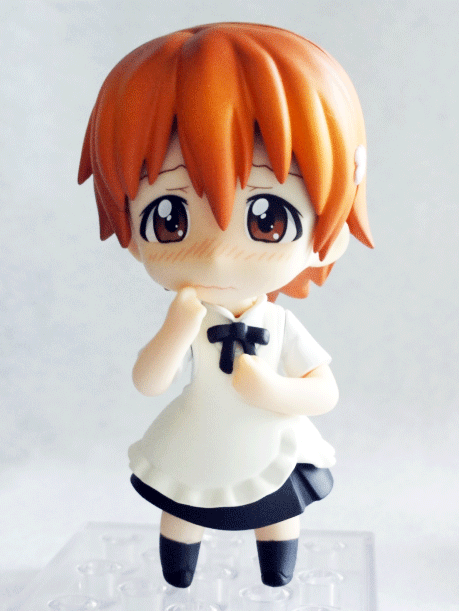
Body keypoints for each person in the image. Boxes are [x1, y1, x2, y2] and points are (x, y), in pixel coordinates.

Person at [78, 22, 373, 588]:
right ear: (131, 232)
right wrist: (176, 328)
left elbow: (324, 392)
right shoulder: (190, 317)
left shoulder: (279, 324)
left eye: (268, 218)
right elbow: (149, 381)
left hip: (267, 436)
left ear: (328, 236)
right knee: (183, 501)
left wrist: (273, 392)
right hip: (199, 433)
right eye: (170, 219)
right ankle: (179, 573)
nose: (215, 254)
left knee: (278, 507)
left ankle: (276, 575)